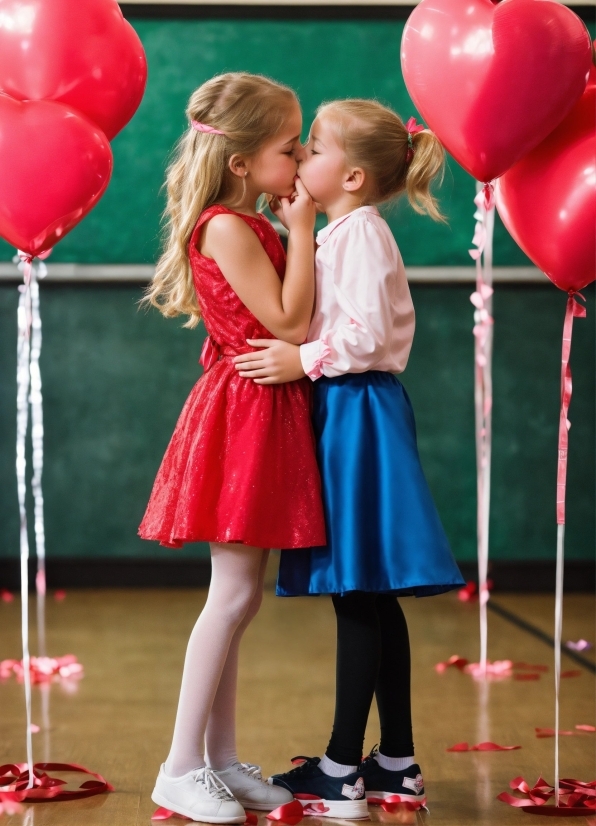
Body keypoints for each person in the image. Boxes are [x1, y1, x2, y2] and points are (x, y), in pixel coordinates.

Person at [234, 99, 465, 818]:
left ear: (355, 176)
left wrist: (301, 358)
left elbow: (361, 338)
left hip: (357, 410)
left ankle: (341, 766)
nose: (301, 158)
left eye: (314, 149)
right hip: (351, 409)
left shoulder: (361, 235)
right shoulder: (343, 230)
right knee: (369, 591)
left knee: (359, 590)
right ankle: (395, 758)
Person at [139, 72, 326, 823]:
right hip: (242, 416)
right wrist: (306, 231)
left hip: (263, 409)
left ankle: (217, 759)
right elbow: (289, 324)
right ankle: (180, 765)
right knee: (233, 594)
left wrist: (291, 232)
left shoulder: (246, 222)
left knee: (241, 599)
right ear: (244, 163)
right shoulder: (225, 225)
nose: (305, 158)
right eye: (292, 148)